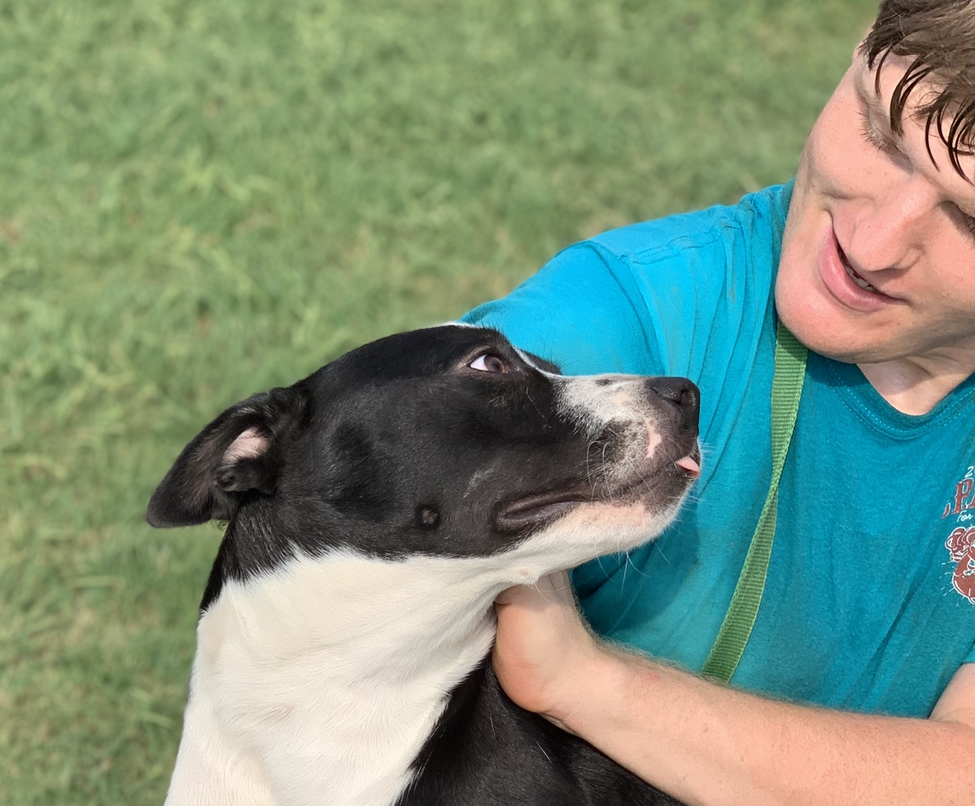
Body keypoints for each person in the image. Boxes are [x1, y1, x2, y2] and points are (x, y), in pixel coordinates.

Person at [462, 1, 975, 803]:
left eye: (968, 219)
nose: (871, 245)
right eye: (879, 132)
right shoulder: (617, 325)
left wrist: (585, 682)